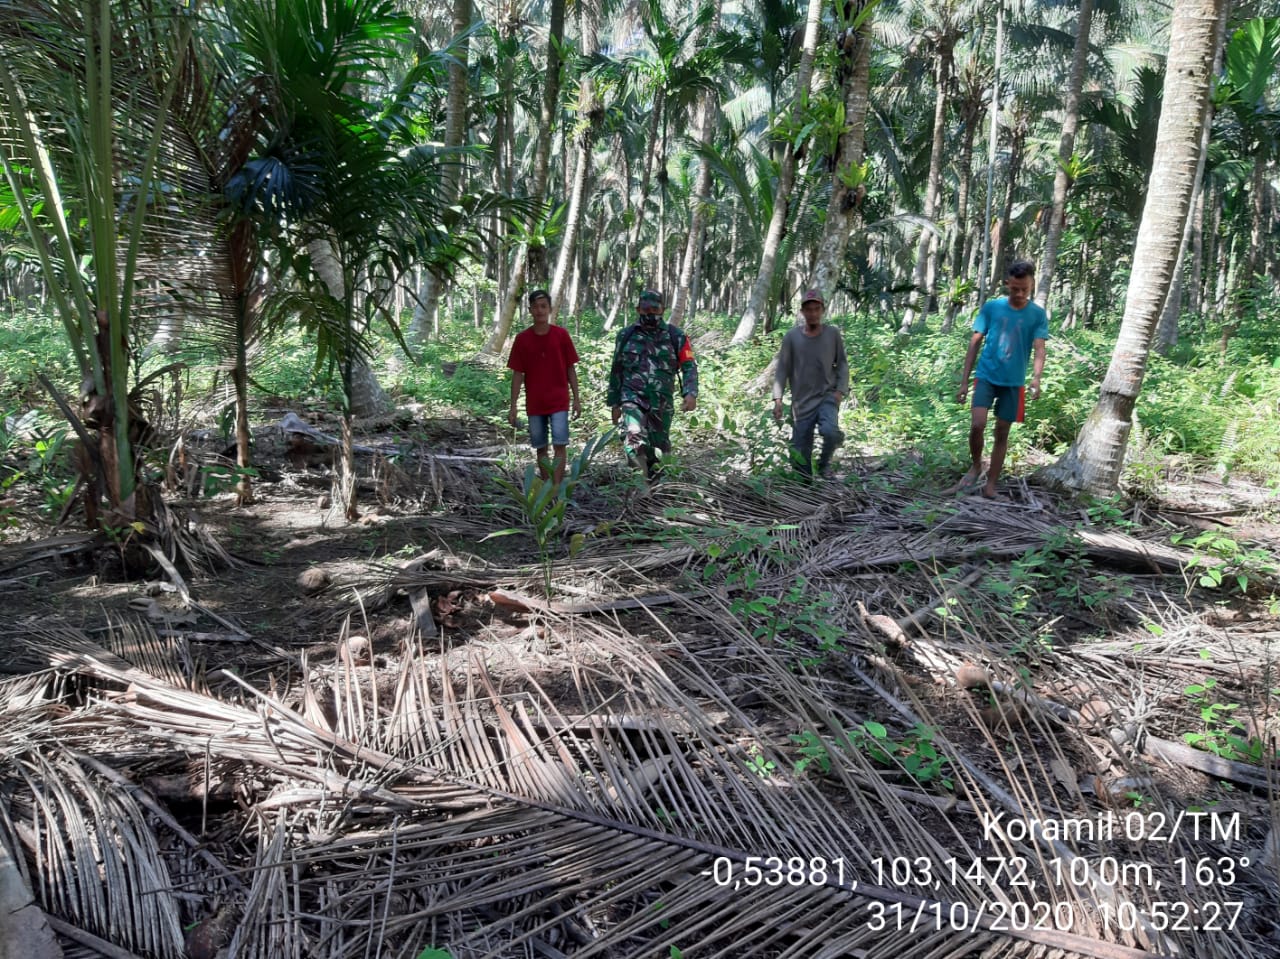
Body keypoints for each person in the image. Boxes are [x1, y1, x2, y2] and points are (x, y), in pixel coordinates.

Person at [953, 259, 1049, 499]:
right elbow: (974, 343)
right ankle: (976, 466)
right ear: (1007, 283)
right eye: (1014, 288)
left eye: (1024, 289)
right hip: (986, 376)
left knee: (1002, 432)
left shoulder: (1037, 314)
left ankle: (991, 485)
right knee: (977, 425)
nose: (1019, 293)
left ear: (1031, 285)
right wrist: (964, 381)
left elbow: (1039, 348)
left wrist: (1036, 378)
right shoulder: (991, 308)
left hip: (1014, 383)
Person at [606, 289, 699, 485]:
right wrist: (614, 403)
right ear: (638, 309)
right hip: (632, 397)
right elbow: (617, 369)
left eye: (654, 309)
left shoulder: (677, 336)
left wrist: (690, 393)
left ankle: (659, 490)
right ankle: (640, 488)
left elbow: (689, 366)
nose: (650, 313)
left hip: (662, 402)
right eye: (645, 309)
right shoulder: (625, 335)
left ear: (662, 310)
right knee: (633, 437)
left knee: (659, 448)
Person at [507, 289, 582, 485]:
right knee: (540, 447)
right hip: (535, 403)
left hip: (559, 401)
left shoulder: (561, 335)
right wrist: (513, 405)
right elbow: (517, 374)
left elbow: (570, 369)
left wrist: (577, 399)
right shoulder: (522, 339)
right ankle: (547, 485)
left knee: (560, 444)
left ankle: (556, 487)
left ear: (549, 309)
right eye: (535, 307)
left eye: (543, 306)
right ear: (530, 310)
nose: (540, 311)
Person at [772, 289, 849, 478]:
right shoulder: (792, 337)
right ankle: (806, 487)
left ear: (823, 310)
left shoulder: (832, 334)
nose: (813, 314)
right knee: (799, 457)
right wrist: (778, 399)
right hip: (802, 403)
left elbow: (842, 364)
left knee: (830, 431)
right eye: (809, 310)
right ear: (802, 312)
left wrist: (840, 391)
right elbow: (782, 369)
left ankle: (824, 466)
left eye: (817, 309)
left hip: (827, 396)